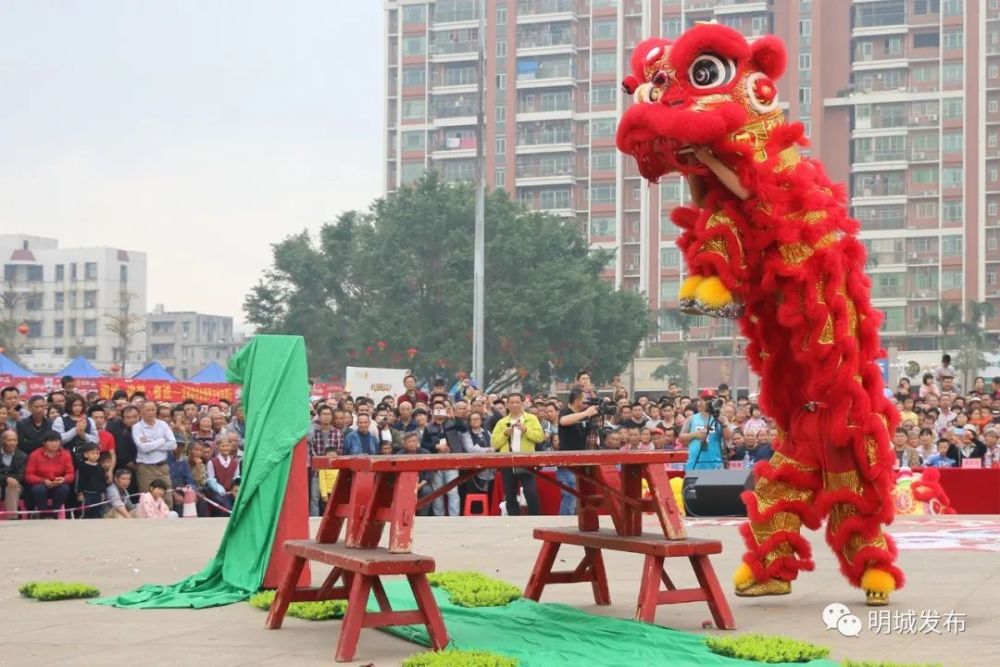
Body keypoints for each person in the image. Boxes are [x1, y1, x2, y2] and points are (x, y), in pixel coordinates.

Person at [491, 393, 545, 516]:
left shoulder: (531, 419)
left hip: (526, 461)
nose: (515, 405)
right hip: (507, 462)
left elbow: (540, 437)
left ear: (522, 404)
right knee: (510, 496)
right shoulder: (502, 422)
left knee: (531, 494)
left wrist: (525, 429)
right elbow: (494, 443)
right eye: (512, 402)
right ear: (507, 405)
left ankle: (535, 519)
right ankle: (514, 520)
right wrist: (505, 434)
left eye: (517, 402)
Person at [132, 401, 177, 509]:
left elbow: (173, 444)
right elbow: (143, 448)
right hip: (146, 467)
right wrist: (161, 440)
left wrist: (151, 442)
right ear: (141, 412)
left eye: (153, 410)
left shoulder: (163, 424)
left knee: (167, 498)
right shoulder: (137, 427)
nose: (151, 413)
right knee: (147, 499)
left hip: (162, 466)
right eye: (148, 410)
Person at [24, 431, 75, 517]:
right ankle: (43, 514)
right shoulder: (35, 455)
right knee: (38, 489)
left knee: (64, 489)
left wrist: (63, 479)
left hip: (58, 483)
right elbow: (29, 475)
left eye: (56, 441)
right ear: (44, 443)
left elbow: (71, 474)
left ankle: (54, 514)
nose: (54, 444)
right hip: (41, 483)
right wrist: (42, 481)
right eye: (51, 441)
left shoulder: (66, 455)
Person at [308, 405, 344, 516]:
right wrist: (320, 465)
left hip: (332, 471)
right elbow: (312, 450)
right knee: (314, 498)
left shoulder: (338, 433)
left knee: (332, 497)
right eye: (324, 414)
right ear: (319, 416)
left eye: (329, 414)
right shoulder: (314, 432)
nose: (326, 417)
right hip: (317, 469)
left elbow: (339, 451)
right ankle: (314, 519)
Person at [679, 398, 729, 470]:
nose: (708, 402)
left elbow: (728, 437)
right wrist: (694, 435)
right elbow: (681, 438)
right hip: (695, 463)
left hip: (715, 463)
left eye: (711, 399)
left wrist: (724, 425)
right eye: (705, 399)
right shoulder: (692, 419)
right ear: (700, 402)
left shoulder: (720, 418)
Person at [395, 432, 434, 515]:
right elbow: (397, 474)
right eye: (409, 442)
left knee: (427, 491)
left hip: (421, 483)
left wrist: (418, 486)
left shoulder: (425, 453)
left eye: (414, 441)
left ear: (418, 442)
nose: (412, 444)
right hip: (405, 483)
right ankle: (404, 515)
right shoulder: (399, 455)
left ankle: (423, 517)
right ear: (404, 444)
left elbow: (429, 474)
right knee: (398, 491)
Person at [206, 433, 241, 513]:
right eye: (223, 446)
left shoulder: (235, 463)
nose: (225, 448)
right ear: (218, 447)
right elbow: (211, 480)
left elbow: (236, 477)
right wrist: (220, 489)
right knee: (224, 505)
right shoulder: (212, 462)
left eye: (227, 446)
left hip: (231, 492)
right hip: (217, 493)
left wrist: (235, 489)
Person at [74, 443, 107, 519]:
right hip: (86, 494)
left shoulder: (100, 467)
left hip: (98, 494)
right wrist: (79, 493)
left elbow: (102, 481)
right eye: (93, 453)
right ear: (86, 455)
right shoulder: (82, 466)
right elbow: (79, 480)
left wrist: (103, 492)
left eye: (97, 453)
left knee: (97, 512)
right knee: (85, 512)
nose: (95, 455)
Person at [1, 428, 27, 518]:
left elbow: (20, 476)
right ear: (3, 441)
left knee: (12, 488)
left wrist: (11, 480)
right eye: (9, 440)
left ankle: (12, 518)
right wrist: (7, 478)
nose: (12, 443)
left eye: (14, 440)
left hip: (15, 485)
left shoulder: (22, 456)